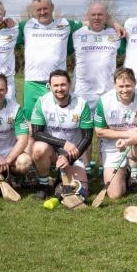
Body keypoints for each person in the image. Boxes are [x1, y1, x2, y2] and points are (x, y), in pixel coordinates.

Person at [71, 1, 126, 172]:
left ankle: (105, 165)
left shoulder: (115, 34)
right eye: (93, 14)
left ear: (106, 17)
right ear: (88, 16)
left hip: (107, 91)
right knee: (84, 130)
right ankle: (86, 165)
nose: (96, 17)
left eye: (100, 14)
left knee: (107, 130)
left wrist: (115, 24)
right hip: (83, 91)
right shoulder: (77, 33)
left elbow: (125, 51)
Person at [92, 68, 137, 202]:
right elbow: (99, 131)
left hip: (135, 142)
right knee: (115, 194)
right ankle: (126, 172)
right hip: (112, 144)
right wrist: (127, 134)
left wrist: (126, 141)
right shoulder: (104, 101)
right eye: (121, 86)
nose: (124, 90)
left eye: (128, 86)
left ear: (135, 83)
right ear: (114, 85)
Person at [30, 70, 94, 200]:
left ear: (69, 84)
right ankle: (43, 185)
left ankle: (59, 178)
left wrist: (69, 158)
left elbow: (87, 137)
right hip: (51, 151)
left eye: (63, 84)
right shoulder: (42, 102)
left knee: (81, 193)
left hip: (74, 154)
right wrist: (63, 144)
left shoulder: (81, 104)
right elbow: (37, 133)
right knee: (38, 148)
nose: (60, 89)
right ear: (50, 86)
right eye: (56, 85)